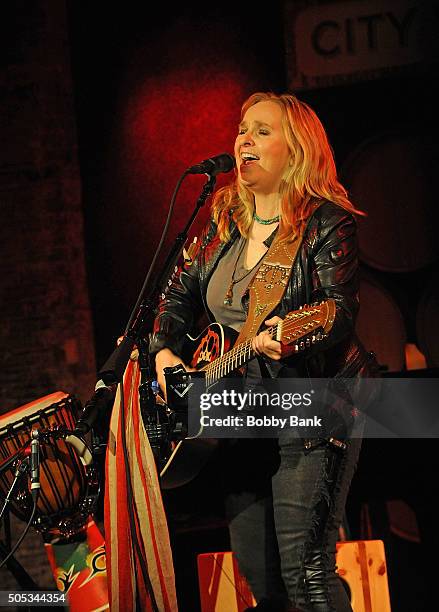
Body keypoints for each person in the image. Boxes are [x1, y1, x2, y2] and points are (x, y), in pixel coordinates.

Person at [150, 92, 377, 612]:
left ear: (296, 152)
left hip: (313, 408)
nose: (244, 139)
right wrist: (165, 353)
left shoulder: (326, 223)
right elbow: (175, 300)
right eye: (242, 129)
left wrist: (290, 331)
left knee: (308, 575)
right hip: (240, 416)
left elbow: (337, 309)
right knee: (261, 579)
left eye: (262, 131)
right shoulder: (223, 221)